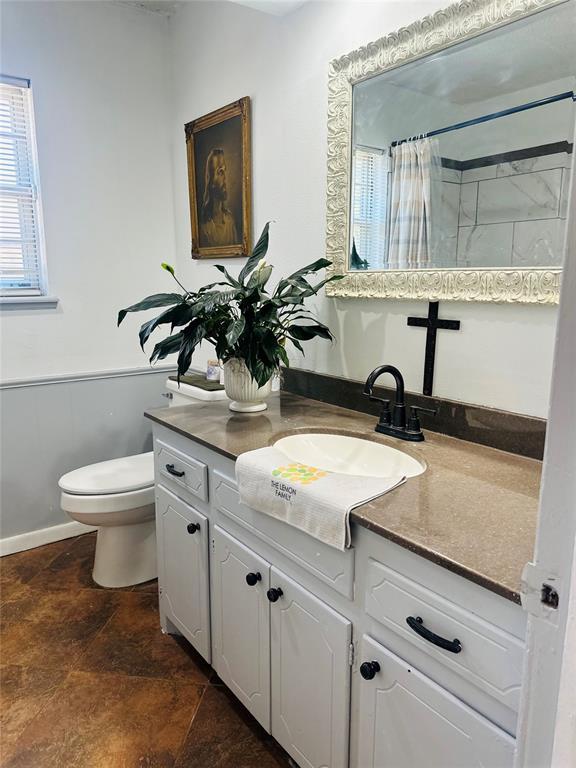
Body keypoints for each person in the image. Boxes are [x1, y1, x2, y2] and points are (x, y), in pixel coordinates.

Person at [199, 148, 238, 247]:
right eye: (220, 172)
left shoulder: (230, 220)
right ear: (211, 181)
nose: (225, 179)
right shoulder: (204, 227)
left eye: (225, 171)